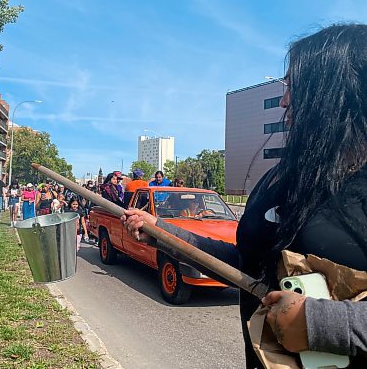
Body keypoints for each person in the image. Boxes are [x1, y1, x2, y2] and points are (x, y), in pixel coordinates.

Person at [122, 24, 367, 368]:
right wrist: (164, 233)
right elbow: (246, 266)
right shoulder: (275, 182)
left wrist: (320, 324)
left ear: (334, 92)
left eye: (294, 87)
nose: (284, 101)